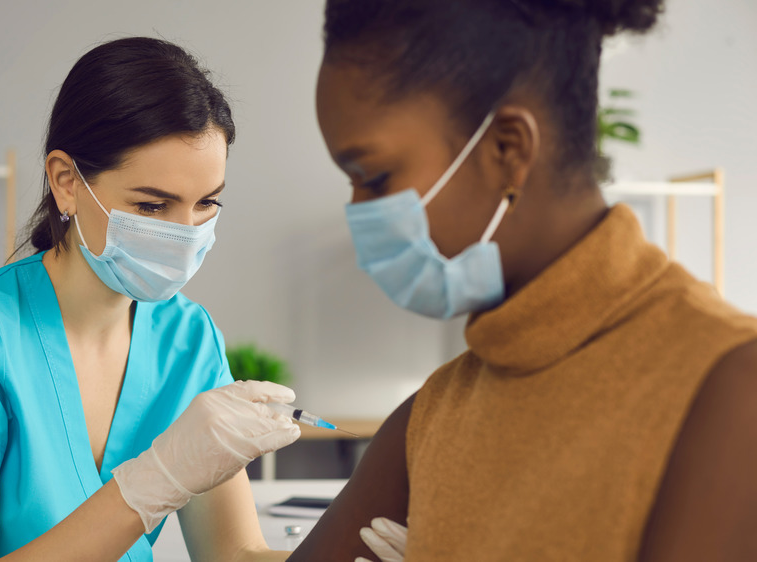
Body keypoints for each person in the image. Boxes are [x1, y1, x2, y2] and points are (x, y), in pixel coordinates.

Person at [291, 0, 757, 560]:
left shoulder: (729, 386)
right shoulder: (435, 415)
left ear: (507, 149)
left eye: (374, 177)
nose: (358, 212)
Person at [0, 37, 301, 562]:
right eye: (153, 206)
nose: (185, 233)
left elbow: (235, 554)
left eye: (206, 203)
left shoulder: (189, 339)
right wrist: (152, 484)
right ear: (66, 182)